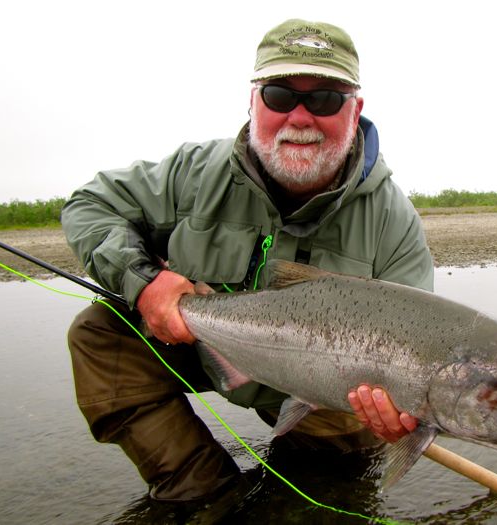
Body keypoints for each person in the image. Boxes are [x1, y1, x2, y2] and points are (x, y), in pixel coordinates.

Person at [61, 18, 434, 503]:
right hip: (202, 347)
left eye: (324, 99)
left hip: (325, 395)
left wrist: (404, 413)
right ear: (253, 101)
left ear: (355, 109)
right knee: (99, 332)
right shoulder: (193, 172)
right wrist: (144, 281)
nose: (300, 117)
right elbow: (90, 205)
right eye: (279, 96)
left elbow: (421, 351)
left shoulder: (394, 222)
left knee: (327, 488)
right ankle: (207, 495)